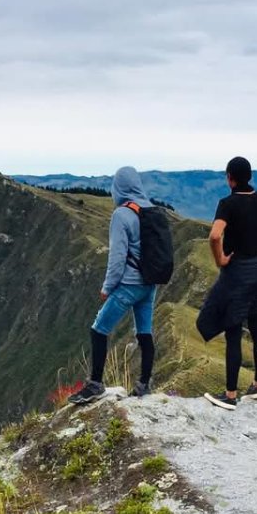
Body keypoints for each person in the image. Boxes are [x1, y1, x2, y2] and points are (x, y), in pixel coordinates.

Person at [196, 156, 257, 410]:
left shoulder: (227, 203)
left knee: (233, 332)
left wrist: (220, 260)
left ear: (230, 178)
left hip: (236, 273)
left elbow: (215, 235)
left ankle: (229, 395)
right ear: (249, 176)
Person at [68, 166, 160, 404]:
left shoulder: (122, 215)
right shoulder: (152, 210)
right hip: (150, 283)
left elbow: (117, 257)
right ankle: (143, 386)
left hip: (129, 285)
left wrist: (107, 287)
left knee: (99, 329)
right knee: (144, 333)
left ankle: (95, 384)